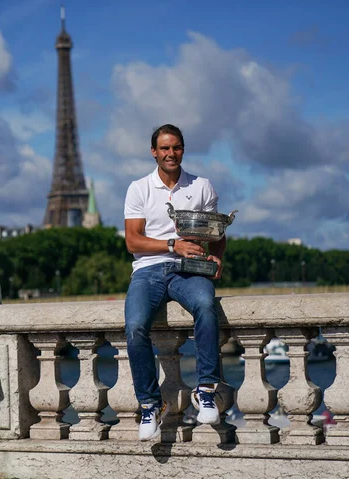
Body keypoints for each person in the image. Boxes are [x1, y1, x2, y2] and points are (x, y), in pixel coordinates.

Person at [123, 124, 226, 441]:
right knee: (136, 326)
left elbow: (216, 233)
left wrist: (217, 258)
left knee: (206, 305)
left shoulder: (202, 186)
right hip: (149, 268)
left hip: (189, 269)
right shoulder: (139, 188)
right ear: (154, 151)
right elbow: (133, 242)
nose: (171, 153)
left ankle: (205, 389)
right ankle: (151, 403)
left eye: (176, 147)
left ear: (183, 149)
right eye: (164, 148)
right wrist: (172, 245)